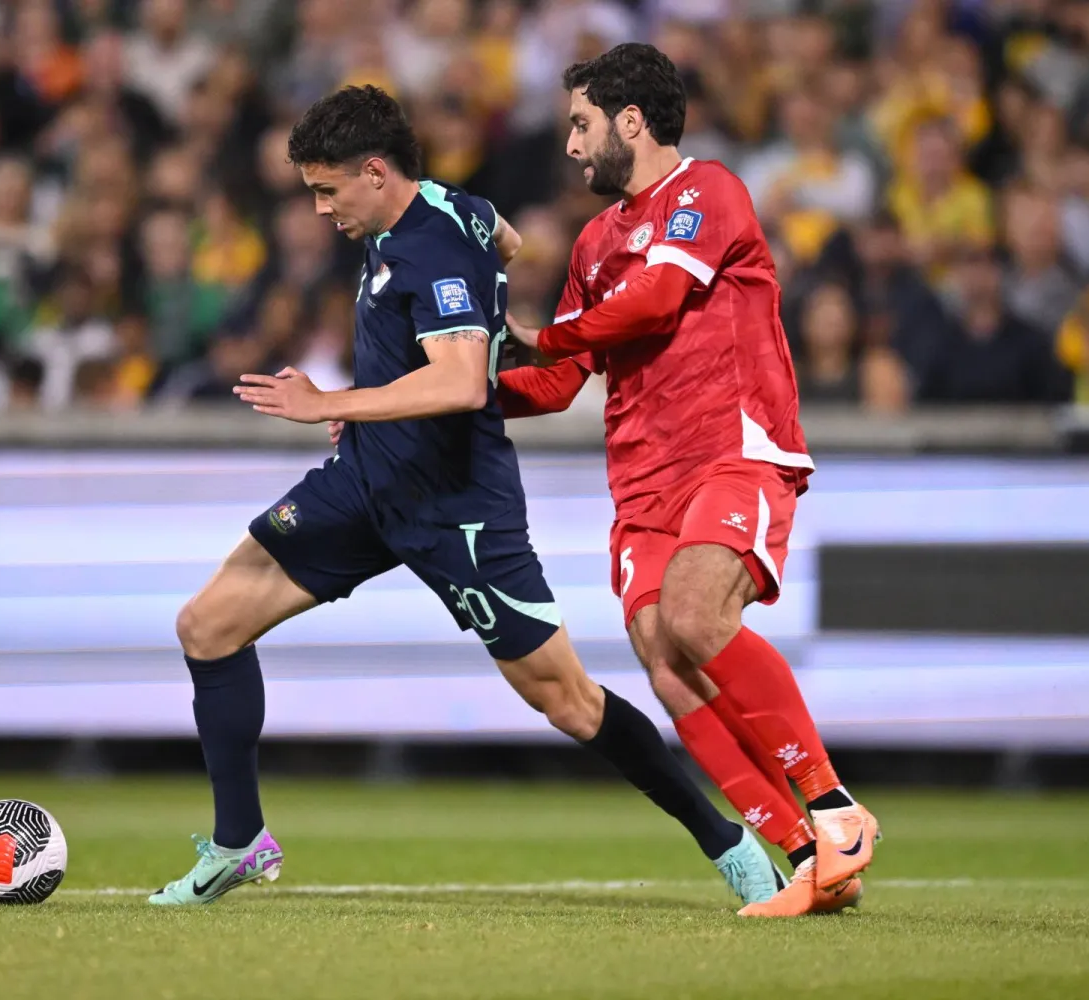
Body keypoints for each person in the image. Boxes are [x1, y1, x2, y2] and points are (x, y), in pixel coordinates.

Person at [147, 85, 785, 907]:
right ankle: (240, 842)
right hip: (369, 482)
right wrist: (392, 391)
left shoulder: (432, 248)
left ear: (375, 172)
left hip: (459, 506)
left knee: (568, 701)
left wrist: (329, 402)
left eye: (327, 189)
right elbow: (508, 240)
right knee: (206, 626)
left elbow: (454, 382)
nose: (319, 208)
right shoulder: (449, 211)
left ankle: (726, 840)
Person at [499, 44, 878, 918]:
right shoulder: (594, 243)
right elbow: (557, 383)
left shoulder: (708, 191)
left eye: (581, 124)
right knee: (667, 665)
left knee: (696, 616)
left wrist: (544, 338)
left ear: (632, 121)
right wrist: (451, 393)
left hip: (731, 448)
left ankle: (835, 810)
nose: (571, 146)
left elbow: (658, 303)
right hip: (642, 481)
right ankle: (805, 858)